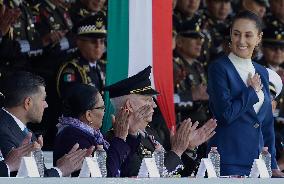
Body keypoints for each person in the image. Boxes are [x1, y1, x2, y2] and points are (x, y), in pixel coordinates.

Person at [207, 10, 283, 177]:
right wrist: (251, 92)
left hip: (259, 165)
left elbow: (267, 124)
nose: (241, 41)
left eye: (248, 35)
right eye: (236, 34)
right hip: (227, 162)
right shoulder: (219, 68)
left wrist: (273, 165)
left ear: (259, 38)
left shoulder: (262, 72)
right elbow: (225, 114)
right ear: (230, 35)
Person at [105, 66, 217, 177]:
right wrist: (176, 151)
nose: (154, 105)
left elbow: (177, 175)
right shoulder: (116, 139)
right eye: (147, 100)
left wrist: (188, 149)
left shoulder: (152, 133)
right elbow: (142, 176)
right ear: (130, 105)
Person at [0, 71, 93, 177]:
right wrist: (61, 170)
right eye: (43, 99)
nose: (46, 105)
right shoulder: (3, 131)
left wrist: (64, 168)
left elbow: (40, 176)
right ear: (28, 103)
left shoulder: (26, 132)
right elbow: (30, 180)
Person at [53, 83, 134, 177]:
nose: (104, 112)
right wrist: (119, 138)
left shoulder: (94, 135)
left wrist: (131, 134)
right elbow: (105, 176)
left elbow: (125, 168)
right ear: (89, 115)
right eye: (102, 108)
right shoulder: (72, 137)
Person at [56, 14, 106, 97]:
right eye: (93, 41)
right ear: (79, 42)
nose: (98, 46)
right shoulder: (72, 69)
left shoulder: (103, 65)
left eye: (101, 41)